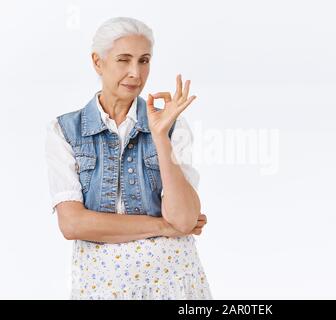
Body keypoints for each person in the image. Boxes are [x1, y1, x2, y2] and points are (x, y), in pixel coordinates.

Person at [44, 16, 213, 300]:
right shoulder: (65, 131)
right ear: (98, 62)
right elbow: (73, 225)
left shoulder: (171, 126)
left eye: (144, 60)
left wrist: (159, 136)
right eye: (124, 59)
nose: (136, 72)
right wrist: (162, 225)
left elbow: (184, 220)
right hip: (101, 286)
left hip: (174, 283)